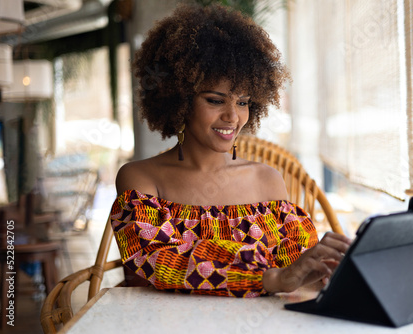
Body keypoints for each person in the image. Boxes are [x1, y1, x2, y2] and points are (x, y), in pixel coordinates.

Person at [111, 3, 351, 298]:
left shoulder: (268, 180)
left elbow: (296, 276)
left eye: (243, 102)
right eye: (215, 100)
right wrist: (271, 278)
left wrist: (325, 270)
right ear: (179, 100)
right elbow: (160, 262)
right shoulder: (140, 178)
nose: (233, 117)